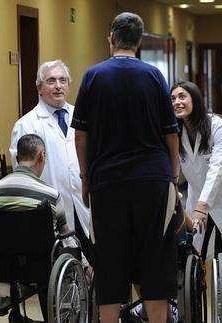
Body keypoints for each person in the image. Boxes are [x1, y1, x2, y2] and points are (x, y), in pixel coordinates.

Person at [71, 12, 180, 323]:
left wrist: (85, 177)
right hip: (152, 180)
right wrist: (171, 178)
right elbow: (170, 133)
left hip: (108, 181)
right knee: (155, 258)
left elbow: (82, 135)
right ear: (139, 41)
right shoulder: (154, 76)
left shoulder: (93, 76)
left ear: (111, 39)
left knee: (109, 258)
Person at [9, 60, 92, 262]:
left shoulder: (83, 116)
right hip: (49, 213)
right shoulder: (26, 124)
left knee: (93, 266)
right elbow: (21, 174)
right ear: (39, 87)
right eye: (51, 81)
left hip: (84, 205)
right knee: (57, 272)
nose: (58, 86)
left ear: (69, 85)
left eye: (63, 80)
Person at [0, 134, 69, 323]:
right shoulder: (51, 195)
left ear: (17, 159)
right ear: (41, 156)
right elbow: (64, 232)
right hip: (40, 266)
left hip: (3, 264)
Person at [170, 80, 222, 260]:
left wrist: (202, 206)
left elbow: (217, 167)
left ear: (195, 99)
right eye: (172, 99)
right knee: (198, 253)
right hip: (197, 196)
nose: (176, 102)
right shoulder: (175, 132)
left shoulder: (217, 125)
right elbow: (171, 165)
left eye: (182, 96)